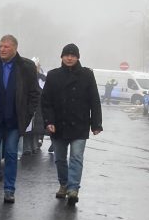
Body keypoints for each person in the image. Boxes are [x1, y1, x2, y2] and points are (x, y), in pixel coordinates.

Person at [0, 34, 41, 203]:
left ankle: (10, 189)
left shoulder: (26, 66)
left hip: (15, 118)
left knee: (11, 152)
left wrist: (27, 115)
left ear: (15, 48)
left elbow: (34, 94)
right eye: (1, 46)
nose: (2, 49)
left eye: (6, 47)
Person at [41, 43, 103, 205]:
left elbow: (94, 101)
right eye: (66, 55)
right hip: (58, 124)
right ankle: (64, 184)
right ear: (61, 57)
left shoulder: (87, 75)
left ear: (77, 57)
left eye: (73, 55)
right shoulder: (53, 75)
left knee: (76, 157)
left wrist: (96, 124)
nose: (69, 58)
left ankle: (73, 189)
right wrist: (49, 121)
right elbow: (46, 102)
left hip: (80, 124)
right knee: (60, 159)